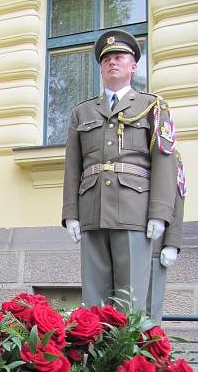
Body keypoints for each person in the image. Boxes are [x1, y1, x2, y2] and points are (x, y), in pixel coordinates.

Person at [62, 29, 184, 313]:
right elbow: (72, 166)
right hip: (92, 209)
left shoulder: (152, 107)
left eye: (119, 57)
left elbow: (165, 162)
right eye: (106, 59)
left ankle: (131, 358)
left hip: (134, 210)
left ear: (133, 66)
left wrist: (160, 213)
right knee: (94, 301)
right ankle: (97, 357)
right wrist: (71, 213)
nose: (112, 62)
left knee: (131, 300)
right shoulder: (82, 112)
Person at [147, 184, 185, 322]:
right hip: (117, 234)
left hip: (153, 242)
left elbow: (176, 194)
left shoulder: (168, 162)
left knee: (148, 315)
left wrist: (172, 242)